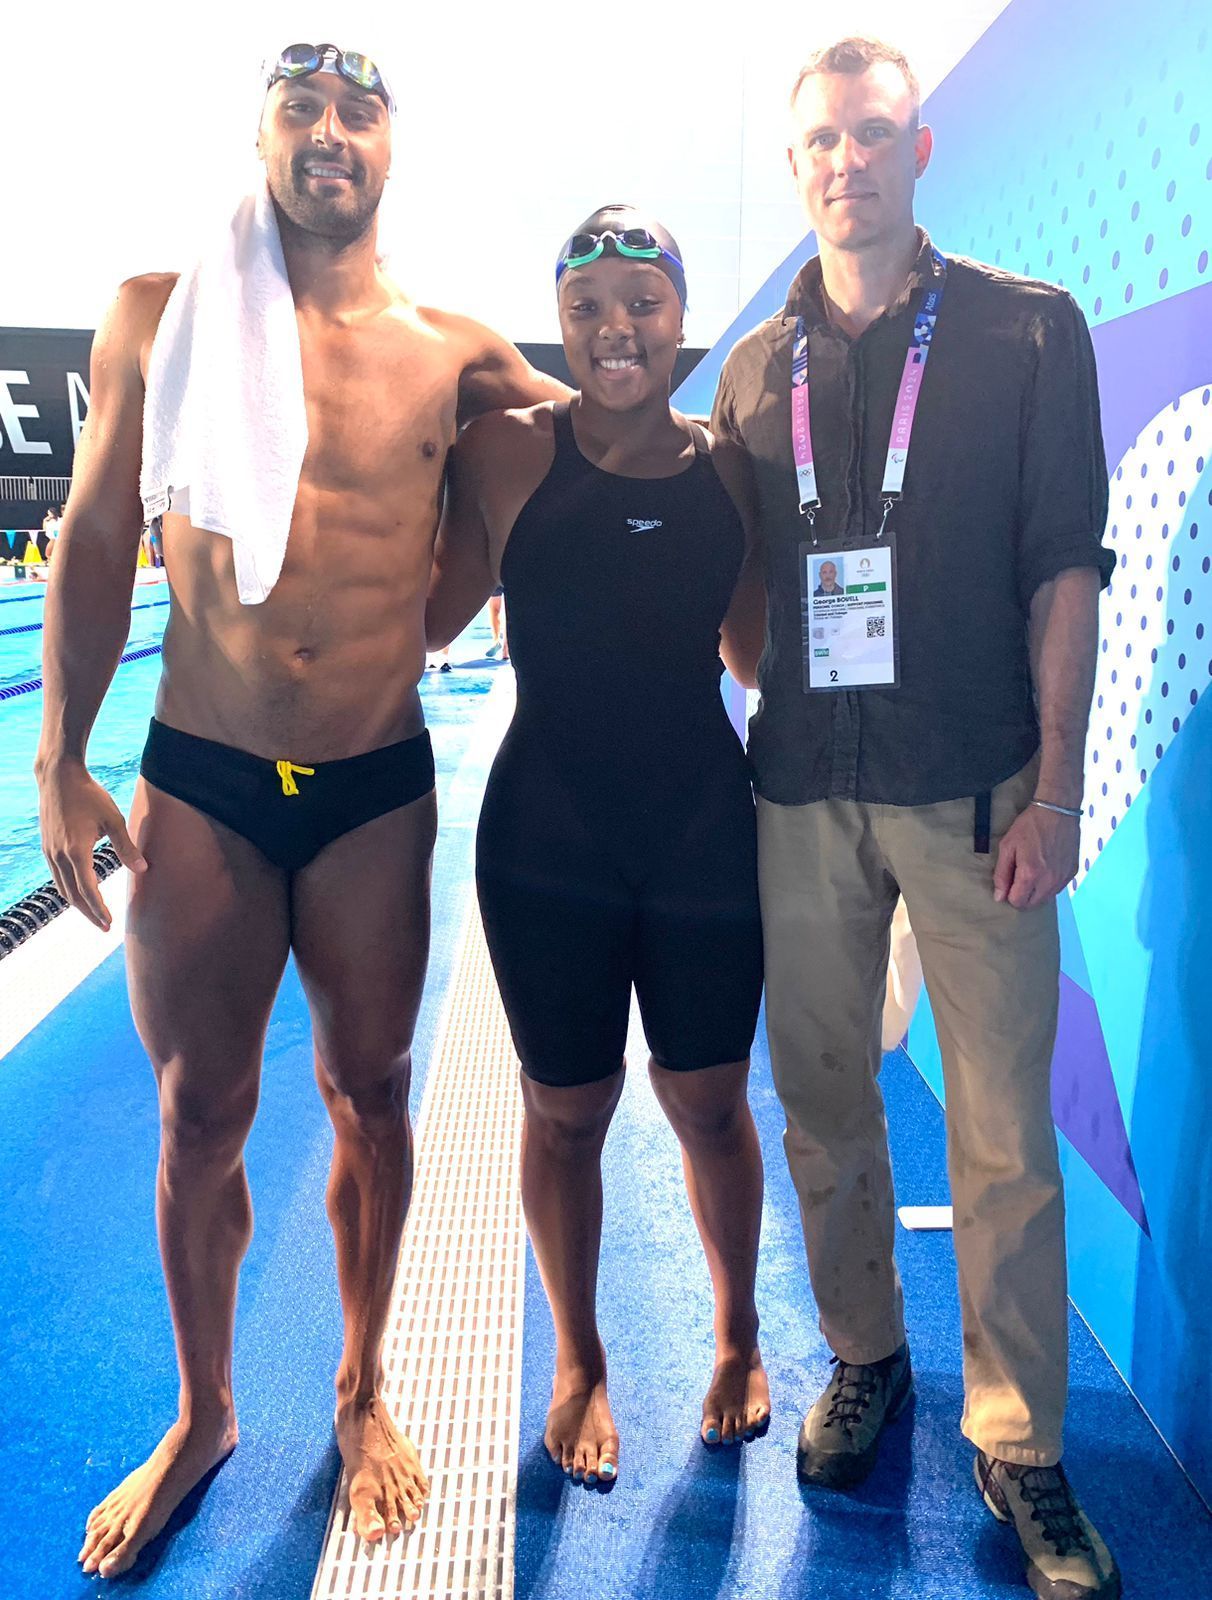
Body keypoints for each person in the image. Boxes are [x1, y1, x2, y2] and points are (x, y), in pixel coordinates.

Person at [37, 41, 564, 1580]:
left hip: (372, 788)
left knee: (373, 1095)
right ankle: (203, 1413)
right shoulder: (158, 314)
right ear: (261, 133)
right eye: (303, 111)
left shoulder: (456, 350)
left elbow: (607, 436)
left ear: (394, 147)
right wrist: (60, 756)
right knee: (199, 1115)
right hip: (203, 769)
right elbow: (88, 535)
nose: (332, 137)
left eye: (360, 114)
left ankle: (362, 1387)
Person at [711, 37, 1119, 1600]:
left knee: (1005, 1133)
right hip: (805, 794)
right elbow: (745, 596)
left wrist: (1060, 785)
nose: (845, 162)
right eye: (820, 139)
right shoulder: (758, 369)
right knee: (823, 1101)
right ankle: (867, 1352)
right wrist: (780, 702)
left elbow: (1062, 570)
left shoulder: (1026, 332)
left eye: (873, 133)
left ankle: (1018, 1442)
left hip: (975, 794)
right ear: (798, 158)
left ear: (920, 146)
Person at [427, 205, 770, 1486]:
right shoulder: (504, 452)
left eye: (643, 302)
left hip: (698, 831)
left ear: (683, 317)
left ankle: (737, 1336)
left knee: (710, 1103)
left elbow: (750, 656)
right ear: (558, 322)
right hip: (546, 836)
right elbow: (420, 615)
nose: (614, 329)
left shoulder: (728, 471)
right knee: (566, 1115)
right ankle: (578, 1359)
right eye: (587, 308)